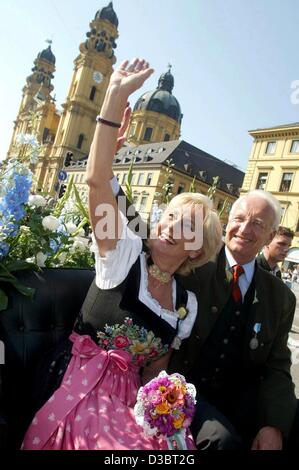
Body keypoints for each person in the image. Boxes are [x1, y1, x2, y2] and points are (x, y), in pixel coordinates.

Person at [22, 59, 222, 450]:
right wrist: (113, 101)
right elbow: (98, 180)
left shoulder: (185, 305)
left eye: (186, 225)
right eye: (169, 215)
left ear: (196, 249)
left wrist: (164, 411)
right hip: (81, 382)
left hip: (130, 400)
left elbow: (155, 371)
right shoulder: (124, 253)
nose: (168, 225)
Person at [168, 190, 298, 450]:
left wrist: (273, 424)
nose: (245, 229)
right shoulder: (189, 267)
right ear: (227, 222)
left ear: (270, 237)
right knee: (223, 441)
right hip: (184, 388)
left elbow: (277, 365)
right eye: (239, 218)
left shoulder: (281, 296)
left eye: (258, 224)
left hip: (241, 397)